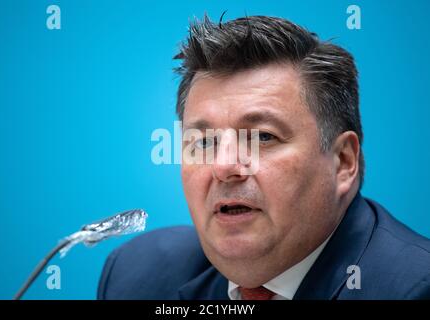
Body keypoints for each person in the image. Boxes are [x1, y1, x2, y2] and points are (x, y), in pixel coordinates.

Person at [97, 15, 430, 300]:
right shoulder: (136, 277)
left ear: (342, 162)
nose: (224, 166)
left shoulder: (413, 287)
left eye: (262, 137)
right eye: (205, 141)